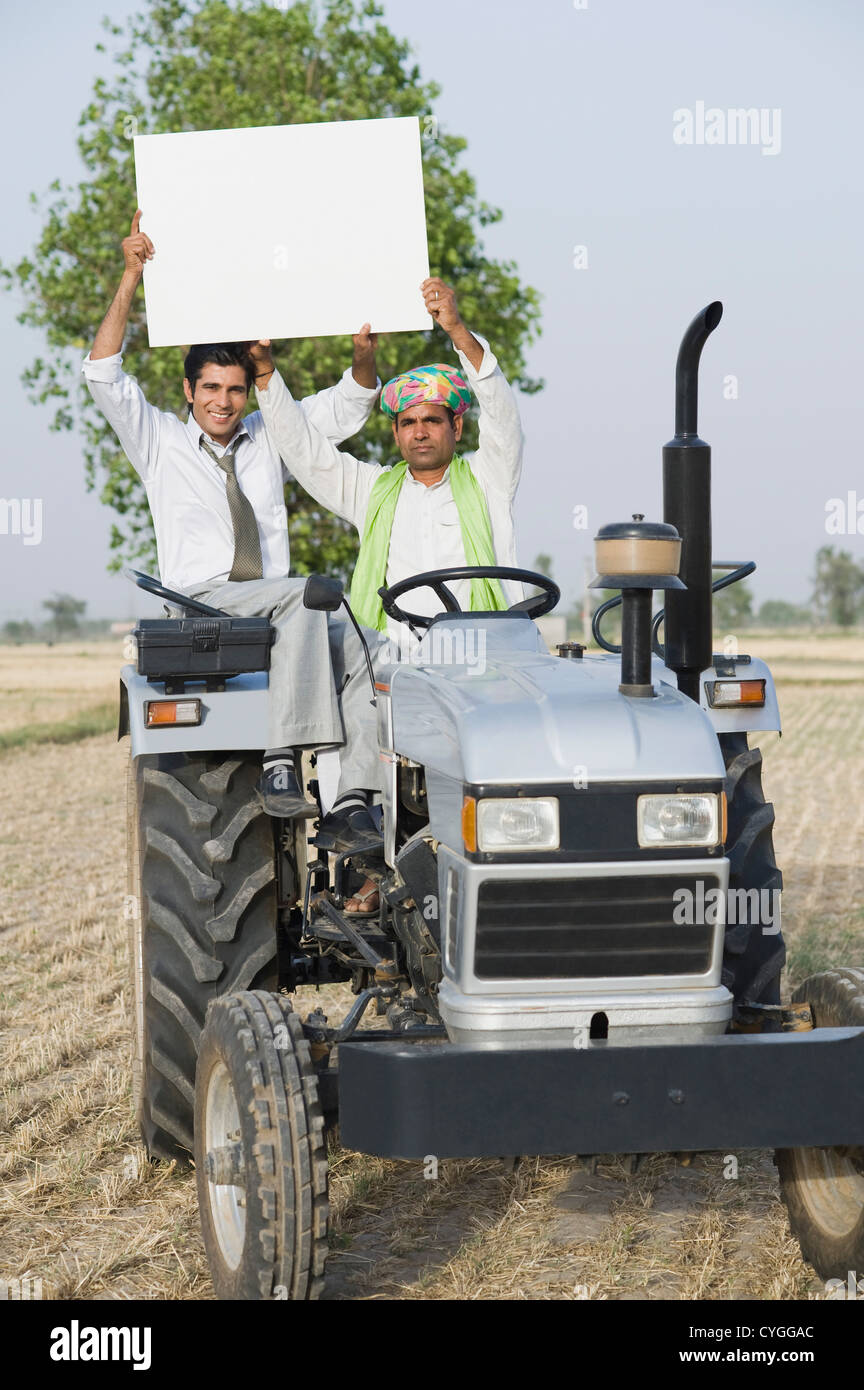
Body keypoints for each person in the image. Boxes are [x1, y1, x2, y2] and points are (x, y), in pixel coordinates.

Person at [83, 211, 384, 851]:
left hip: (278, 604)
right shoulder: (159, 440)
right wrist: (132, 274)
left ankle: (354, 802)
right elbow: (103, 371)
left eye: (236, 389)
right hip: (205, 603)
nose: (223, 401)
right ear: (188, 390)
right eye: (211, 388)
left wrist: (363, 362)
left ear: (250, 392)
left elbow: (346, 406)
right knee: (305, 593)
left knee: (366, 644)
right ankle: (281, 758)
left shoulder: (271, 434)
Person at [251, 277, 525, 911]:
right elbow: (306, 453)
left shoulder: (489, 482)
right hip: (394, 661)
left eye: (433, 420)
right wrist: (266, 376)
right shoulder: (373, 490)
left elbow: (504, 418)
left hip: (480, 662)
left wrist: (457, 331)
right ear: (395, 432)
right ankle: (362, 836)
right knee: (343, 647)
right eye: (408, 422)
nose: (420, 432)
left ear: (457, 425)